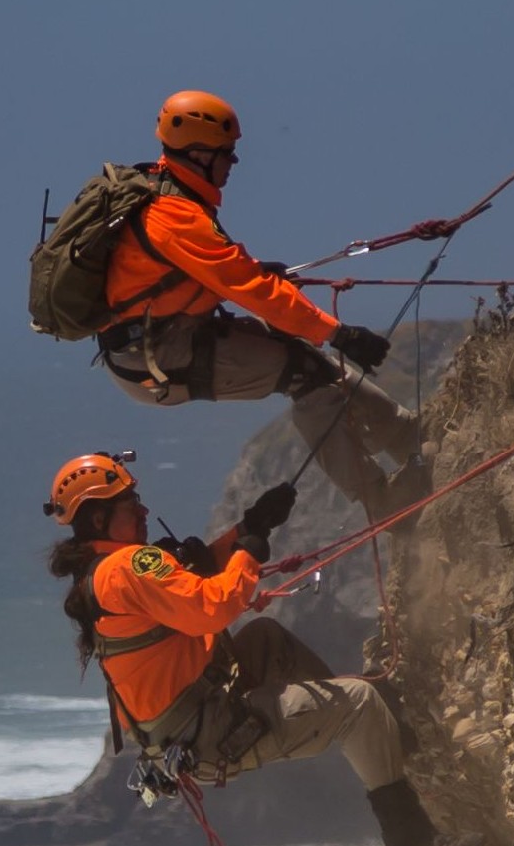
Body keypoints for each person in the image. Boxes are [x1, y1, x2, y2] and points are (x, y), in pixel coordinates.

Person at [44, 451, 484, 846]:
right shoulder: (130, 566)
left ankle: (382, 738)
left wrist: (248, 527)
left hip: (184, 724)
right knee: (359, 702)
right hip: (208, 728)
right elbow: (212, 607)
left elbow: (185, 581)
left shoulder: (99, 575)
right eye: (130, 503)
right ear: (99, 518)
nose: (142, 511)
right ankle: (410, 844)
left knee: (265, 639)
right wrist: (249, 551)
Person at [96, 90, 428, 522]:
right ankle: (382, 501)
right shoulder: (176, 215)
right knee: (303, 375)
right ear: (198, 153)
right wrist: (338, 333)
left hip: (159, 340)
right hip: (156, 358)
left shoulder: (165, 190)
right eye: (226, 153)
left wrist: (253, 279)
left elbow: (199, 273)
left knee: (307, 360)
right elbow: (251, 288)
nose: (233, 163)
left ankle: (406, 436)